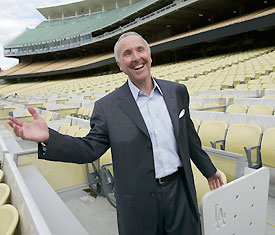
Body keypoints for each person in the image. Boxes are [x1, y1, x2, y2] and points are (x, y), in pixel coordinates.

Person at [7, 32, 223, 235]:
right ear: (120, 65)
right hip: (138, 203)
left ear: (149, 55)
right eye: (127, 54)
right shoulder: (107, 107)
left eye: (140, 50)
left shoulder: (176, 91)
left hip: (180, 194)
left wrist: (209, 170)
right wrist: (49, 138)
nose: (136, 57)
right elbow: (88, 149)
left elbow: (188, 137)